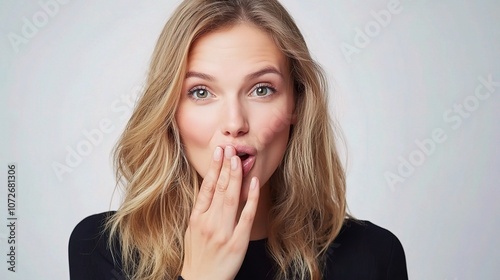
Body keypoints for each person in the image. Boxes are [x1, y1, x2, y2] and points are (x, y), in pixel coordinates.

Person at [69, 0, 408, 279]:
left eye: (262, 89)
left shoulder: (374, 255)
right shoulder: (102, 249)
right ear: (171, 111)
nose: (234, 123)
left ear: (297, 104)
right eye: (201, 92)